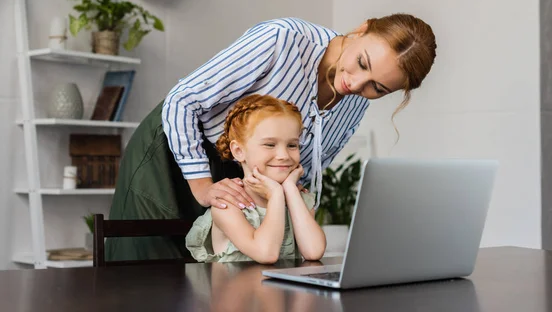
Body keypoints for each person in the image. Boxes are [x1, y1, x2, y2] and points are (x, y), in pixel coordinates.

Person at [106, 15, 437, 262]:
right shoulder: (282, 40)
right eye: (362, 63)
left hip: (241, 178)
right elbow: (183, 101)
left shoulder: (354, 105)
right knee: (149, 274)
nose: (356, 84)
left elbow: (301, 165)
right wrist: (204, 187)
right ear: (362, 29)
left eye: (377, 88)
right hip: (175, 153)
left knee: (209, 280)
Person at [186, 94, 326, 263]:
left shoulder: (298, 199)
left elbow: (313, 251)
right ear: (239, 151)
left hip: (281, 290)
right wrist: (275, 195)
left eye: (292, 145)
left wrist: (289, 189)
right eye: (270, 145)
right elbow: (266, 253)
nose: (283, 155)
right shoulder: (228, 204)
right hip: (240, 289)